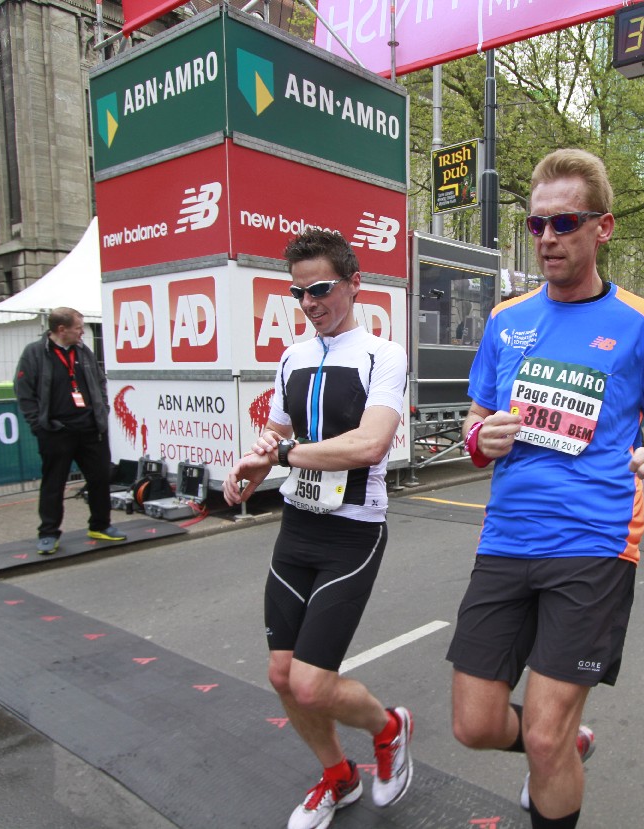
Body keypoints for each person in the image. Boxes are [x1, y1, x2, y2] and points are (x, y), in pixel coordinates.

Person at [447, 148, 644, 829]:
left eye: (564, 222)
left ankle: (555, 752)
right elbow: (475, 422)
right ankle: (567, 746)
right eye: (536, 224)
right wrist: (481, 439)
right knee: (474, 724)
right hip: (506, 539)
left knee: (543, 736)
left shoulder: (643, 323)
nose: (547, 238)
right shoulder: (506, 320)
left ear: (603, 227)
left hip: (595, 543)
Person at [222, 229, 413, 829]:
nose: (309, 303)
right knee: (282, 674)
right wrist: (254, 463)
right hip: (297, 527)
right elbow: (277, 434)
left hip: (353, 533)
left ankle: (389, 727)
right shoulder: (292, 357)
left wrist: (282, 455)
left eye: (321, 289)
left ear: (354, 285)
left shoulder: (384, 355)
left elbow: (370, 444)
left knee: (310, 684)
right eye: (298, 293)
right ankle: (339, 776)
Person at [14, 307, 126, 555]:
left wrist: (102, 411)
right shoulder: (35, 353)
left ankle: (100, 525)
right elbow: (24, 391)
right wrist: (39, 425)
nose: (82, 332)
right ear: (61, 329)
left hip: (91, 429)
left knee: (100, 478)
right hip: (56, 431)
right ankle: (48, 533)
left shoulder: (83, 351)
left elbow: (99, 382)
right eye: (78, 328)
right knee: (54, 483)